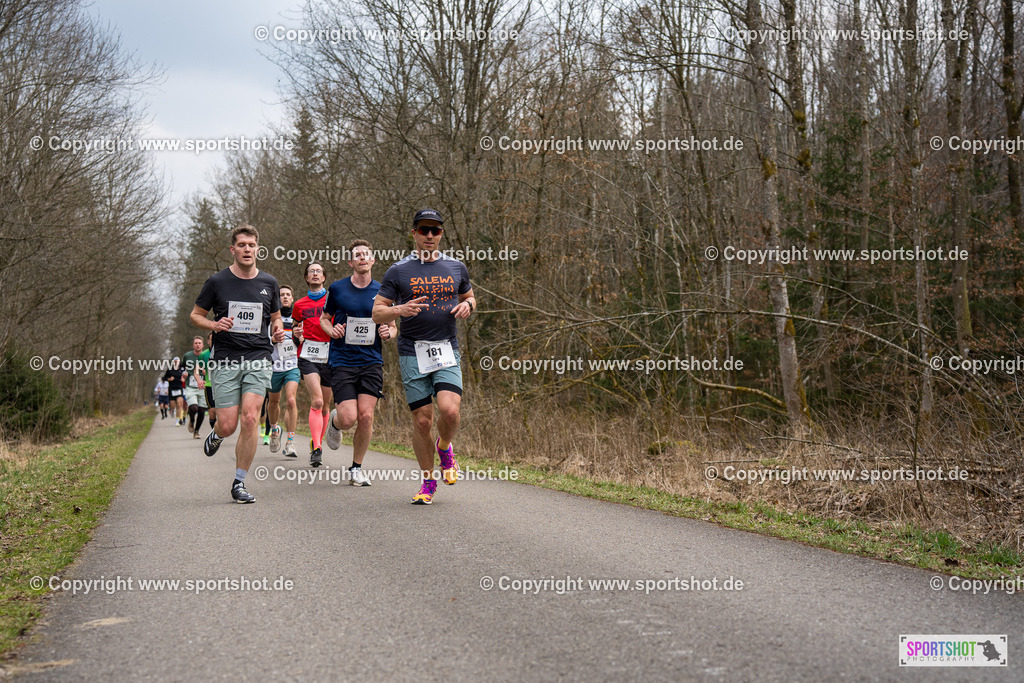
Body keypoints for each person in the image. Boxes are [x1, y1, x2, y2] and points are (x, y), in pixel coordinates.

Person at [372, 208, 475, 504]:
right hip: (411, 352)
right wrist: (398, 310)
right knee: (421, 422)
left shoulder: (456, 267)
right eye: (424, 229)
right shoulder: (398, 271)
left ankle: (445, 447)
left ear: (442, 233)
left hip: (446, 348)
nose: (430, 235)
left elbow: (469, 296)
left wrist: (469, 305)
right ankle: (428, 481)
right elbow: (377, 311)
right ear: (414, 233)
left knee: (450, 411)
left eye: (436, 230)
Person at [190, 224, 285, 504]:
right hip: (226, 359)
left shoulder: (269, 283)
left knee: (251, 418)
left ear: (258, 248)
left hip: (258, 357)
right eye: (241, 245)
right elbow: (195, 315)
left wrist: (277, 330)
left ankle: (239, 482)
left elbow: (276, 316)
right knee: (229, 424)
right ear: (233, 249)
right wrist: (214, 324)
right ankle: (217, 434)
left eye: (251, 245)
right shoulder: (217, 282)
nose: (247, 249)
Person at [321, 240, 396, 486]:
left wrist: (388, 333)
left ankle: (356, 468)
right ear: (351, 262)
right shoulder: (338, 288)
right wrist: (332, 330)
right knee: (349, 418)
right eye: (357, 255)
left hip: (371, 361)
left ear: (373, 260)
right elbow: (324, 318)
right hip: (342, 360)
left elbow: (393, 327)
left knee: (366, 416)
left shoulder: (383, 291)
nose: (362, 258)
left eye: (366, 254)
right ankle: (335, 421)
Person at [293, 263, 334, 467]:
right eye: (311, 272)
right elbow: (294, 327)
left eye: (319, 271)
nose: (315, 274)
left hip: (330, 355)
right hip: (308, 355)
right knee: (317, 401)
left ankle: (316, 439)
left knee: (326, 407)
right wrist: (295, 334)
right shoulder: (299, 304)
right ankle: (317, 448)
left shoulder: (334, 300)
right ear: (307, 278)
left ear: (324, 277)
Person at [268, 285, 300, 456]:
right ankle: (274, 430)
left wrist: (300, 339)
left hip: (292, 366)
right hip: (274, 366)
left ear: (292, 298)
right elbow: (262, 341)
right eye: (281, 295)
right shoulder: (270, 318)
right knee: (273, 402)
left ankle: (290, 442)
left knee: (291, 400)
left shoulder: (298, 318)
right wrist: (272, 339)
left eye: (288, 295)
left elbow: (306, 341)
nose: (285, 297)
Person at [182, 336, 210, 439]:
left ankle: (197, 431)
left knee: (202, 410)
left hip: (203, 386)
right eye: (196, 343)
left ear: (203, 345)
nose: (197, 345)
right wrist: (183, 373)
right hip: (191, 386)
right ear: (193, 345)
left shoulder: (206, 355)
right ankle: (192, 420)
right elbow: (182, 366)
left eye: (199, 343)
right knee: (194, 408)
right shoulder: (187, 356)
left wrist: (206, 371)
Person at [162, 358, 186, 425]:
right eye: (174, 361)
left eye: (177, 361)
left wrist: (184, 379)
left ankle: (177, 420)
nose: (176, 363)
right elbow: (163, 378)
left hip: (179, 389)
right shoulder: (170, 370)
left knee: (179, 404)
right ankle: (171, 409)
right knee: (173, 405)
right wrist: (169, 379)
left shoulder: (182, 369)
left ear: (179, 362)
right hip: (172, 389)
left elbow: (186, 375)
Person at [203, 332, 217, 433]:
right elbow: (196, 369)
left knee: (221, 411)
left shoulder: (224, 352)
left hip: (222, 385)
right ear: (208, 341)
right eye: (211, 340)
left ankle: (219, 430)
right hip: (209, 385)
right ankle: (213, 432)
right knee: (212, 410)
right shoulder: (203, 355)